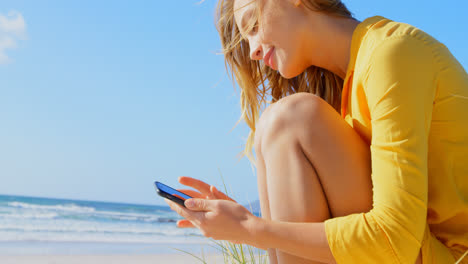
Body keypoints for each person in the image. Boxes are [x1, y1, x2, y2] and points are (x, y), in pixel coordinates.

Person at [165, 0, 468, 263]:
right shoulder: (352, 87)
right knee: (276, 127)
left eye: (254, 25)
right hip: (418, 250)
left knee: (290, 120)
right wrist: (252, 226)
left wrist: (251, 228)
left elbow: (395, 241)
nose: (254, 50)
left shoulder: (392, 53)